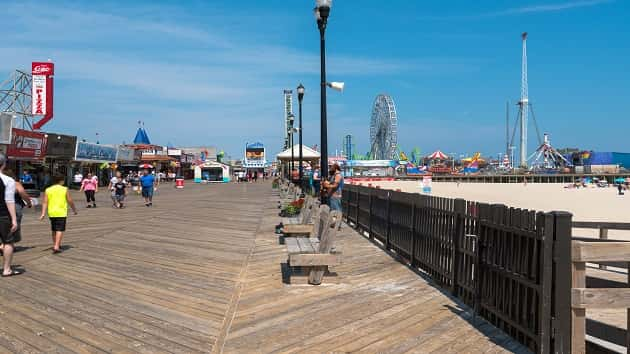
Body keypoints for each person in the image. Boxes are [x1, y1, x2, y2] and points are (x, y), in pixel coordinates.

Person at [40, 175, 77, 254]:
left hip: (52, 212)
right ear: (61, 181)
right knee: (60, 229)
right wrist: (74, 209)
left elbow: (45, 202)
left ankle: (55, 244)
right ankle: (57, 246)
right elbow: (70, 200)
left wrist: (43, 213)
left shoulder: (48, 189)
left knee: (54, 229)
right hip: (61, 212)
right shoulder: (64, 189)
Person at [0, 154, 22, 277]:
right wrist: (14, 219)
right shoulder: (8, 180)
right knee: (8, 242)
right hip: (3, 215)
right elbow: (9, 200)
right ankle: (7, 269)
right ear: (3, 165)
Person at [3, 170, 32, 253]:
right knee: (14, 225)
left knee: (3, 225)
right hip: (15, 206)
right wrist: (29, 203)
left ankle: (3, 244)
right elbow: (23, 194)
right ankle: (8, 245)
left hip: (2, 207)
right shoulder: (15, 183)